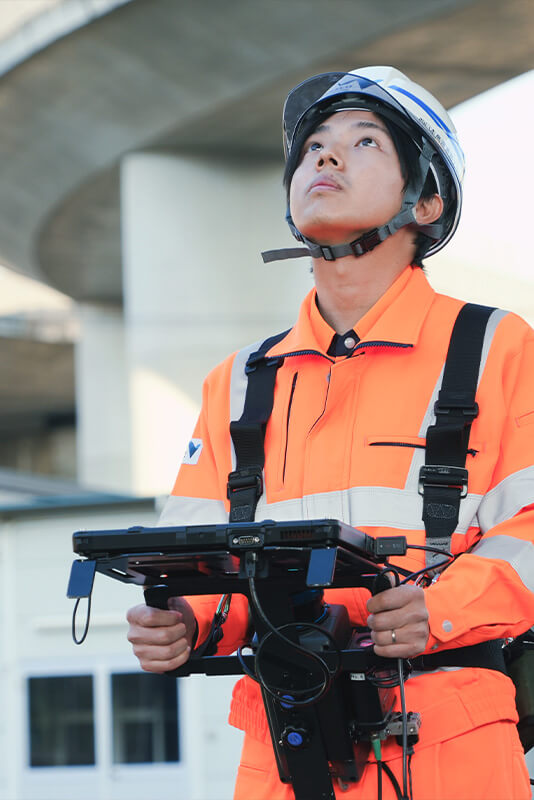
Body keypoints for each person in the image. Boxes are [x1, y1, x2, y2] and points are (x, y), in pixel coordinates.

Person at [126, 67, 534, 799]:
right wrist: (187, 619)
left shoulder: (497, 350)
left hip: (449, 741)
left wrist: (441, 610)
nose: (326, 155)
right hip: (285, 748)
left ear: (427, 200)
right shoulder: (239, 382)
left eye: (364, 141)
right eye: (313, 145)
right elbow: (206, 558)